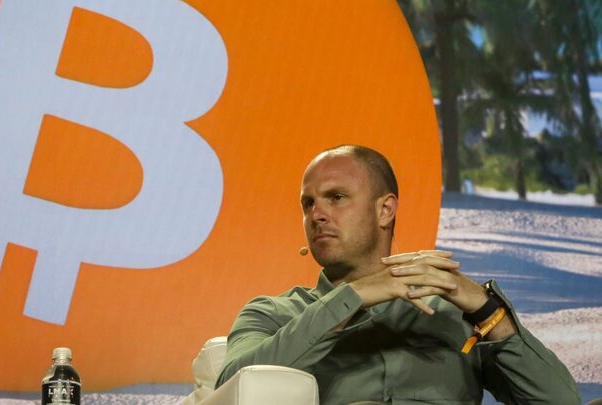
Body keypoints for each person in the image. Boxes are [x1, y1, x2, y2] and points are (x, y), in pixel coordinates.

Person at [216, 145, 580, 404]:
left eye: (336, 197)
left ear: (385, 210)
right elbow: (233, 390)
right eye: (308, 203)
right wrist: (353, 296)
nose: (317, 214)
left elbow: (559, 401)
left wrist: (488, 312)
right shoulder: (273, 315)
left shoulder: (454, 313)